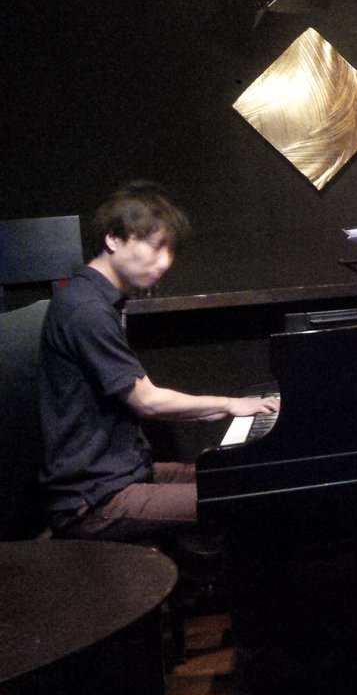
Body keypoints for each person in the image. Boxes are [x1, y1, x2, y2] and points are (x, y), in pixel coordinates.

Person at [38, 181, 279, 542]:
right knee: (248, 497)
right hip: (93, 499)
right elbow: (147, 401)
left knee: (237, 475)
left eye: (170, 251)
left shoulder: (91, 300)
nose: (166, 262)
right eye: (155, 247)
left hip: (120, 476)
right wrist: (229, 404)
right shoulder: (86, 310)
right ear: (113, 239)